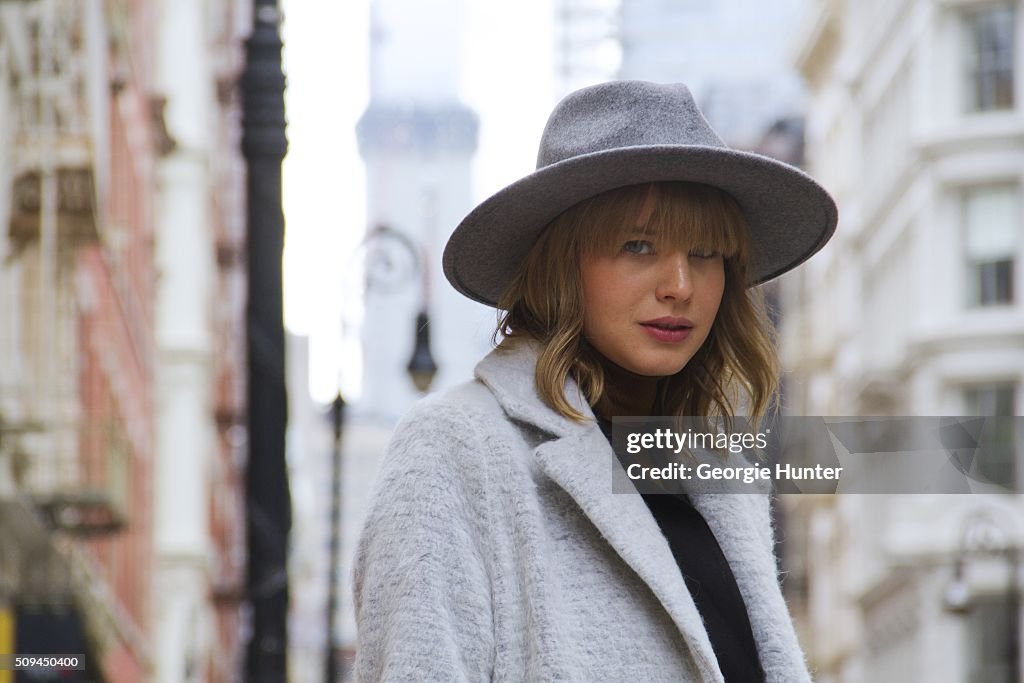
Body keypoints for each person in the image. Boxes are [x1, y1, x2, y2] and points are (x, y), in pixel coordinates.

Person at [352, 81, 837, 682]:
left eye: (707, 252)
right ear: (561, 263)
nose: (680, 285)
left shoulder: (716, 473)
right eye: (638, 245)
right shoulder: (454, 448)